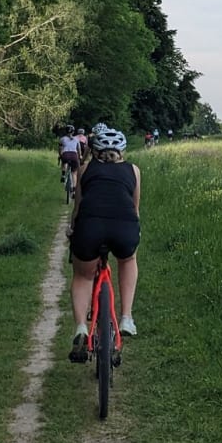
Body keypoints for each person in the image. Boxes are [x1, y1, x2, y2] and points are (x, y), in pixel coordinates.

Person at [67, 126, 141, 361]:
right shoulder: (134, 171)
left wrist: (72, 230)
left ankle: (80, 326)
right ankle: (127, 317)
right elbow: (135, 209)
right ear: (122, 151)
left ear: (95, 149)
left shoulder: (85, 168)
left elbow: (78, 207)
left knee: (83, 275)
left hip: (90, 227)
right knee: (127, 259)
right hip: (124, 227)